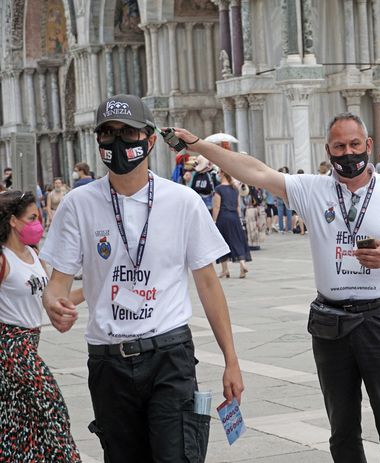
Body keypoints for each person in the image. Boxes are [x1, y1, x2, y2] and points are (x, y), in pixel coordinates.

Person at [172, 112, 380, 463]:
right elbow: (253, 170)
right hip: (331, 322)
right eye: (339, 146)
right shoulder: (313, 189)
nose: (348, 153)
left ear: (369, 145)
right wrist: (199, 146)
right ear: (328, 149)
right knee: (342, 429)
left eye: (354, 144)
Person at [39, 94, 244, 462]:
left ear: (150, 140)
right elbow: (58, 282)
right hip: (108, 360)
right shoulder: (78, 204)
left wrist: (231, 359)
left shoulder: (182, 201)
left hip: (168, 354)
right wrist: (53, 302)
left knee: (176, 456)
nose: (117, 143)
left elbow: (209, 285)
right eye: (108, 134)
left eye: (127, 133)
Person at [0, 190, 81, 462]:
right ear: (13, 221)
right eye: (32, 217)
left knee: (20, 421)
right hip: (9, 346)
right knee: (51, 409)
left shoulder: (34, 256)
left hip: (29, 345)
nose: (38, 223)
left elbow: (55, 299)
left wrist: (95, 287)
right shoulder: (3, 259)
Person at [213, 171, 251, 279]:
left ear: (222, 174)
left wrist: (214, 221)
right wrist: (239, 218)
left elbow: (217, 206)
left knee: (222, 242)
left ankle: (225, 270)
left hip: (223, 218)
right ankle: (242, 264)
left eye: (219, 173)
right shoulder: (235, 188)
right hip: (234, 217)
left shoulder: (219, 189)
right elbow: (238, 206)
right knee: (237, 240)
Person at [276, 166, 293, 234]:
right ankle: (286, 229)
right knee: (284, 214)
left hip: (283, 197)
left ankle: (283, 229)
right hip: (284, 197)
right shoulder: (288, 178)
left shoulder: (277, 179)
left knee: (286, 214)